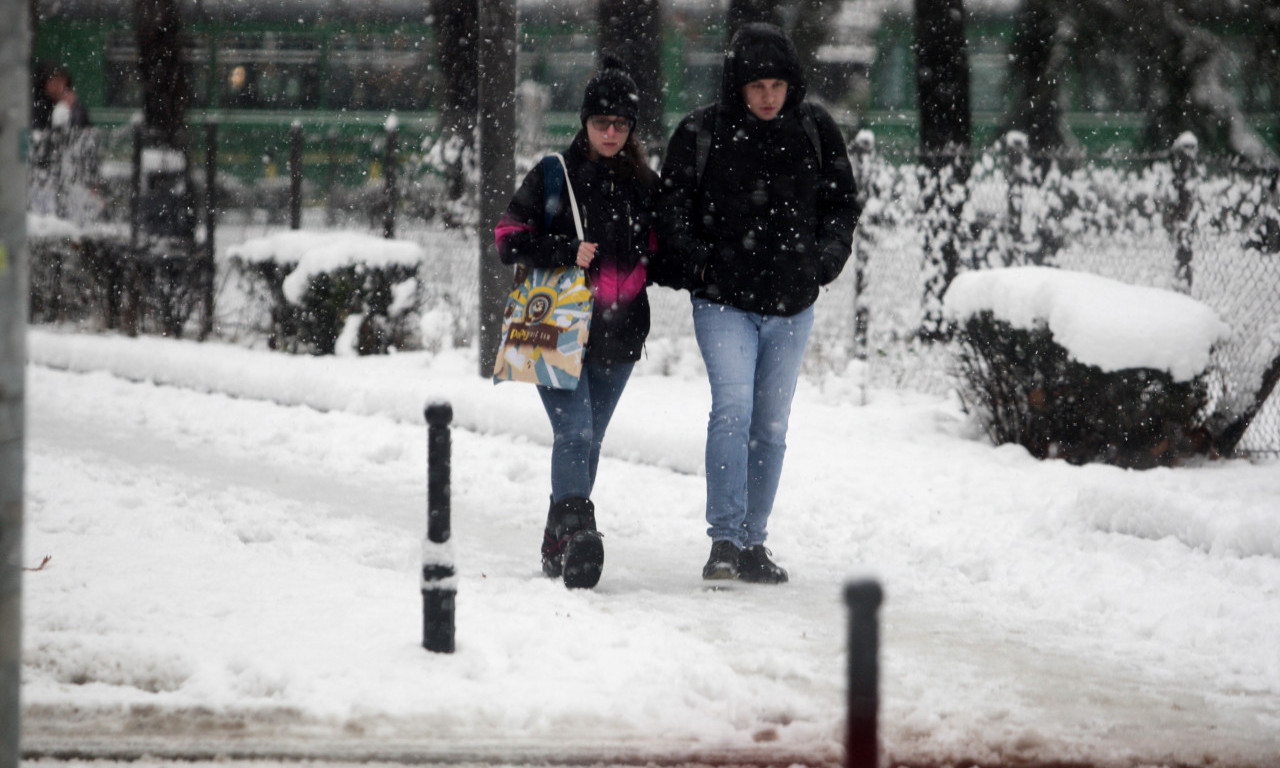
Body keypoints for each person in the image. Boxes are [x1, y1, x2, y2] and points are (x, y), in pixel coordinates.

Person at [656, 23, 860, 584]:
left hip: (792, 306)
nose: (767, 96)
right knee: (733, 409)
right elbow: (670, 209)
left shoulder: (815, 130)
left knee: (770, 425)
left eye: (776, 84)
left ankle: (753, 542)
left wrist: (823, 262)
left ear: (790, 83)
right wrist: (701, 264)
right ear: (737, 86)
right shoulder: (702, 131)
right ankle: (724, 538)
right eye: (756, 85)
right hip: (724, 303)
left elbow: (842, 205)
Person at [494, 55, 658, 590]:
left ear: (631, 128)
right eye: (600, 123)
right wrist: (566, 248)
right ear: (584, 123)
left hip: (621, 333)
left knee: (587, 441)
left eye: (620, 125)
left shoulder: (643, 184)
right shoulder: (552, 176)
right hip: (557, 329)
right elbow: (506, 238)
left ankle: (555, 540)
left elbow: (662, 249)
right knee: (576, 430)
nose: (610, 133)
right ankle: (576, 532)